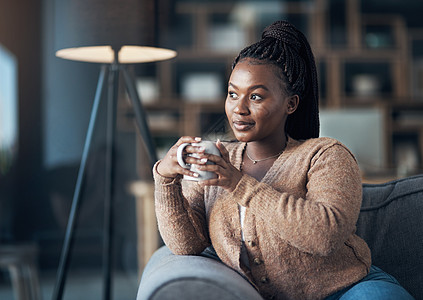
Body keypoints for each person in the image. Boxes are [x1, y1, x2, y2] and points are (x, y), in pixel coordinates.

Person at [152, 21, 414, 300]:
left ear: (291, 104)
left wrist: (238, 183)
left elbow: (324, 235)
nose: (239, 108)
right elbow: (187, 245)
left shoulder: (325, 155)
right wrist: (165, 178)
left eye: (255, 96)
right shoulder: (218, 162)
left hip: (351, 290)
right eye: (232, 94)